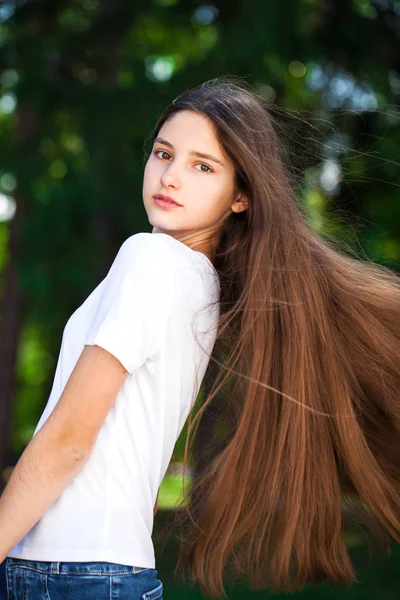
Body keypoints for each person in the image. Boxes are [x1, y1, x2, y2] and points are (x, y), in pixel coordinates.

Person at [0, 75, 399, 600]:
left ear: (240, 197)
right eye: (163, 154)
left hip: (67, 573)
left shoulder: (151, 259)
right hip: (108, 572)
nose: (171, 177)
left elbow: (70, 439)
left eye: (201, 166)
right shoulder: (201, 284)